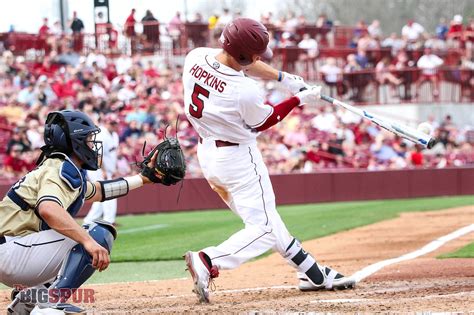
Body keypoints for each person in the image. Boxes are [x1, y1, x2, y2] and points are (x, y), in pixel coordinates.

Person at [182, 17, 355, 303]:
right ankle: (208, 259)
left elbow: (242, 60)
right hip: (238, 158)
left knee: (264, 219)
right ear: (247, 54)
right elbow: (264, 121)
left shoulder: (195, 57)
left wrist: (283, 79)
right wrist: (298, 100)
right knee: (261, 229)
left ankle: (311, 272)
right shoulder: (244, 90)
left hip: (209, 155)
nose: (258, 58)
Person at [0, 110, 184, 313]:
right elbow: (48, 208)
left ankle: (29, 301)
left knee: (77, 243)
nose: (92, 144)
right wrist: (87, 240)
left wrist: (143, 178)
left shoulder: (58, 166)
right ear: (73, 142)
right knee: (98, 233)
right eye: (87, 139)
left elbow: (97, 191)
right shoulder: (59, 169)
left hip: (13, 250)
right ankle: (51, 303)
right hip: (12, 253)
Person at [84, 114, 120, 225]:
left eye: (115, 123)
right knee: (108, 192)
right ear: (106, 123)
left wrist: (115, 169)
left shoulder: (115, 135)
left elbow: (113, 154)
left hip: (108, 168)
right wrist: (103, 170)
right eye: (112, 123)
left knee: (102, 195)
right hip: (97, 168)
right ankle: (109, 220)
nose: (114, 125)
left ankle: (89, 220)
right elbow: (98, 154)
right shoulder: (101, 134)